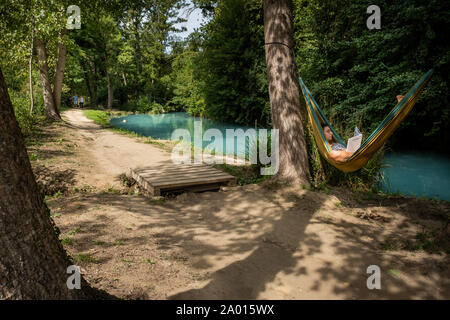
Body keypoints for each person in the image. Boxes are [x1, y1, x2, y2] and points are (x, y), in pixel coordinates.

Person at [323, 94, 405, 163]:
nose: (331, 133)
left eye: (330, 131)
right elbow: (340, 155)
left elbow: (346, 151)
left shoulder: (335, 143)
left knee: (378, 131)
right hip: (352, 156)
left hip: (354, 154)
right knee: (333, 154)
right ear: (322, 134)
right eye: (328, 131)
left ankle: (398, 109)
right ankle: (399, 109)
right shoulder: (329, 149)